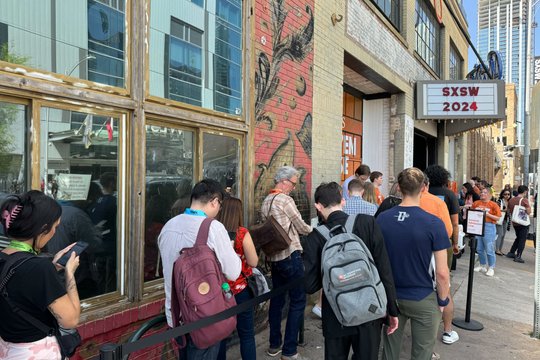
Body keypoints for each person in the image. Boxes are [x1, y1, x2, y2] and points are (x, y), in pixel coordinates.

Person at [303, 182, 398, 360]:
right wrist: (391, 309)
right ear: (343, 201)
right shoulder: (367, 223)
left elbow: (309, 285)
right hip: (369, 312)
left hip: (336, 315)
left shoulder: (315, 237)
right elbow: (384, 269)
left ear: (318, 206)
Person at [158, 179, 241, 359]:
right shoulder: (214, 228)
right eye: (220, 204)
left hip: (175, 314)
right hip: (205, 315)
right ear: (214, 201)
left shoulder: (168, 226)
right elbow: (233, 272)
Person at [377, 168, 450, 360]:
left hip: (390, 295)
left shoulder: (383, 218)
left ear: (399, 188)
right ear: (424, 188)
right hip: (422, 295)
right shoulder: (433, 223)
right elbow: (442, 272)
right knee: (422, 352)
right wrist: (442, 300)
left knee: (389, 350)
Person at [0, 191, 81, 359]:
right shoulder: (39, 268)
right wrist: (69, 273)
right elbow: (70, 320)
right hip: (37, 353)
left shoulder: (5, 258)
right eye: (55, 227)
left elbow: (19, 283)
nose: (54, 233)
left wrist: (53, 266)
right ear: (44, 229)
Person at [261, 166, 312, 360]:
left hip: (275, 259)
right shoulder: (285, 199)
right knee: (298, 301)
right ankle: (290, 350)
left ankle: (274, 346)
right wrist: (312, 229)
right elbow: (300, 225)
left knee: (277, 301)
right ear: (283, 181)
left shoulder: (266, 201)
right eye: (292, 182)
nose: (294, 186)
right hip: (290, 256)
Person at [216, 197, 258, 360]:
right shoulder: (242, 233)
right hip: (240, 290)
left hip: (219, 291)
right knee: (246, 334)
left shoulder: (212, 233)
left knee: (219, 337)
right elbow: (253, 261)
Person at [472, 189, 501, 276]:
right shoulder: (476, 203)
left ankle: (491, 267)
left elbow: (498, 218)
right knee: (479, 248)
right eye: (481, 192)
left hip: (489, 226)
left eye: (485, 192)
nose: (482, 194)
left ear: (489, 195)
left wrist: (487, 214)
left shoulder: (494, 205)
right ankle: (482, 265)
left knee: (489, 248)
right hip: (478, 225)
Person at [506, 185, 532, 263]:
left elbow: (508, 210)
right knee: (522, 239)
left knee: (518, 237)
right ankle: (518, 256)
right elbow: (528, 212)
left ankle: (511, 252)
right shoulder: (524, 200)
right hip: (523, 223)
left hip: (515, 222)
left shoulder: (511, 200)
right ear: (525, 192)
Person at [495, 189, 511, 256]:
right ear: (502, 195)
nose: (507, 196)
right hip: (500, 220)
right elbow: (496, 209)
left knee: (503, 236)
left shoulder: (509, 202)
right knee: (500, 234)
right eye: (505, 194)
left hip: (505, 220)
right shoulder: (499, 201)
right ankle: (497, 250)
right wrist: (504, 210)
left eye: (508, 194)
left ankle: (500, 249)